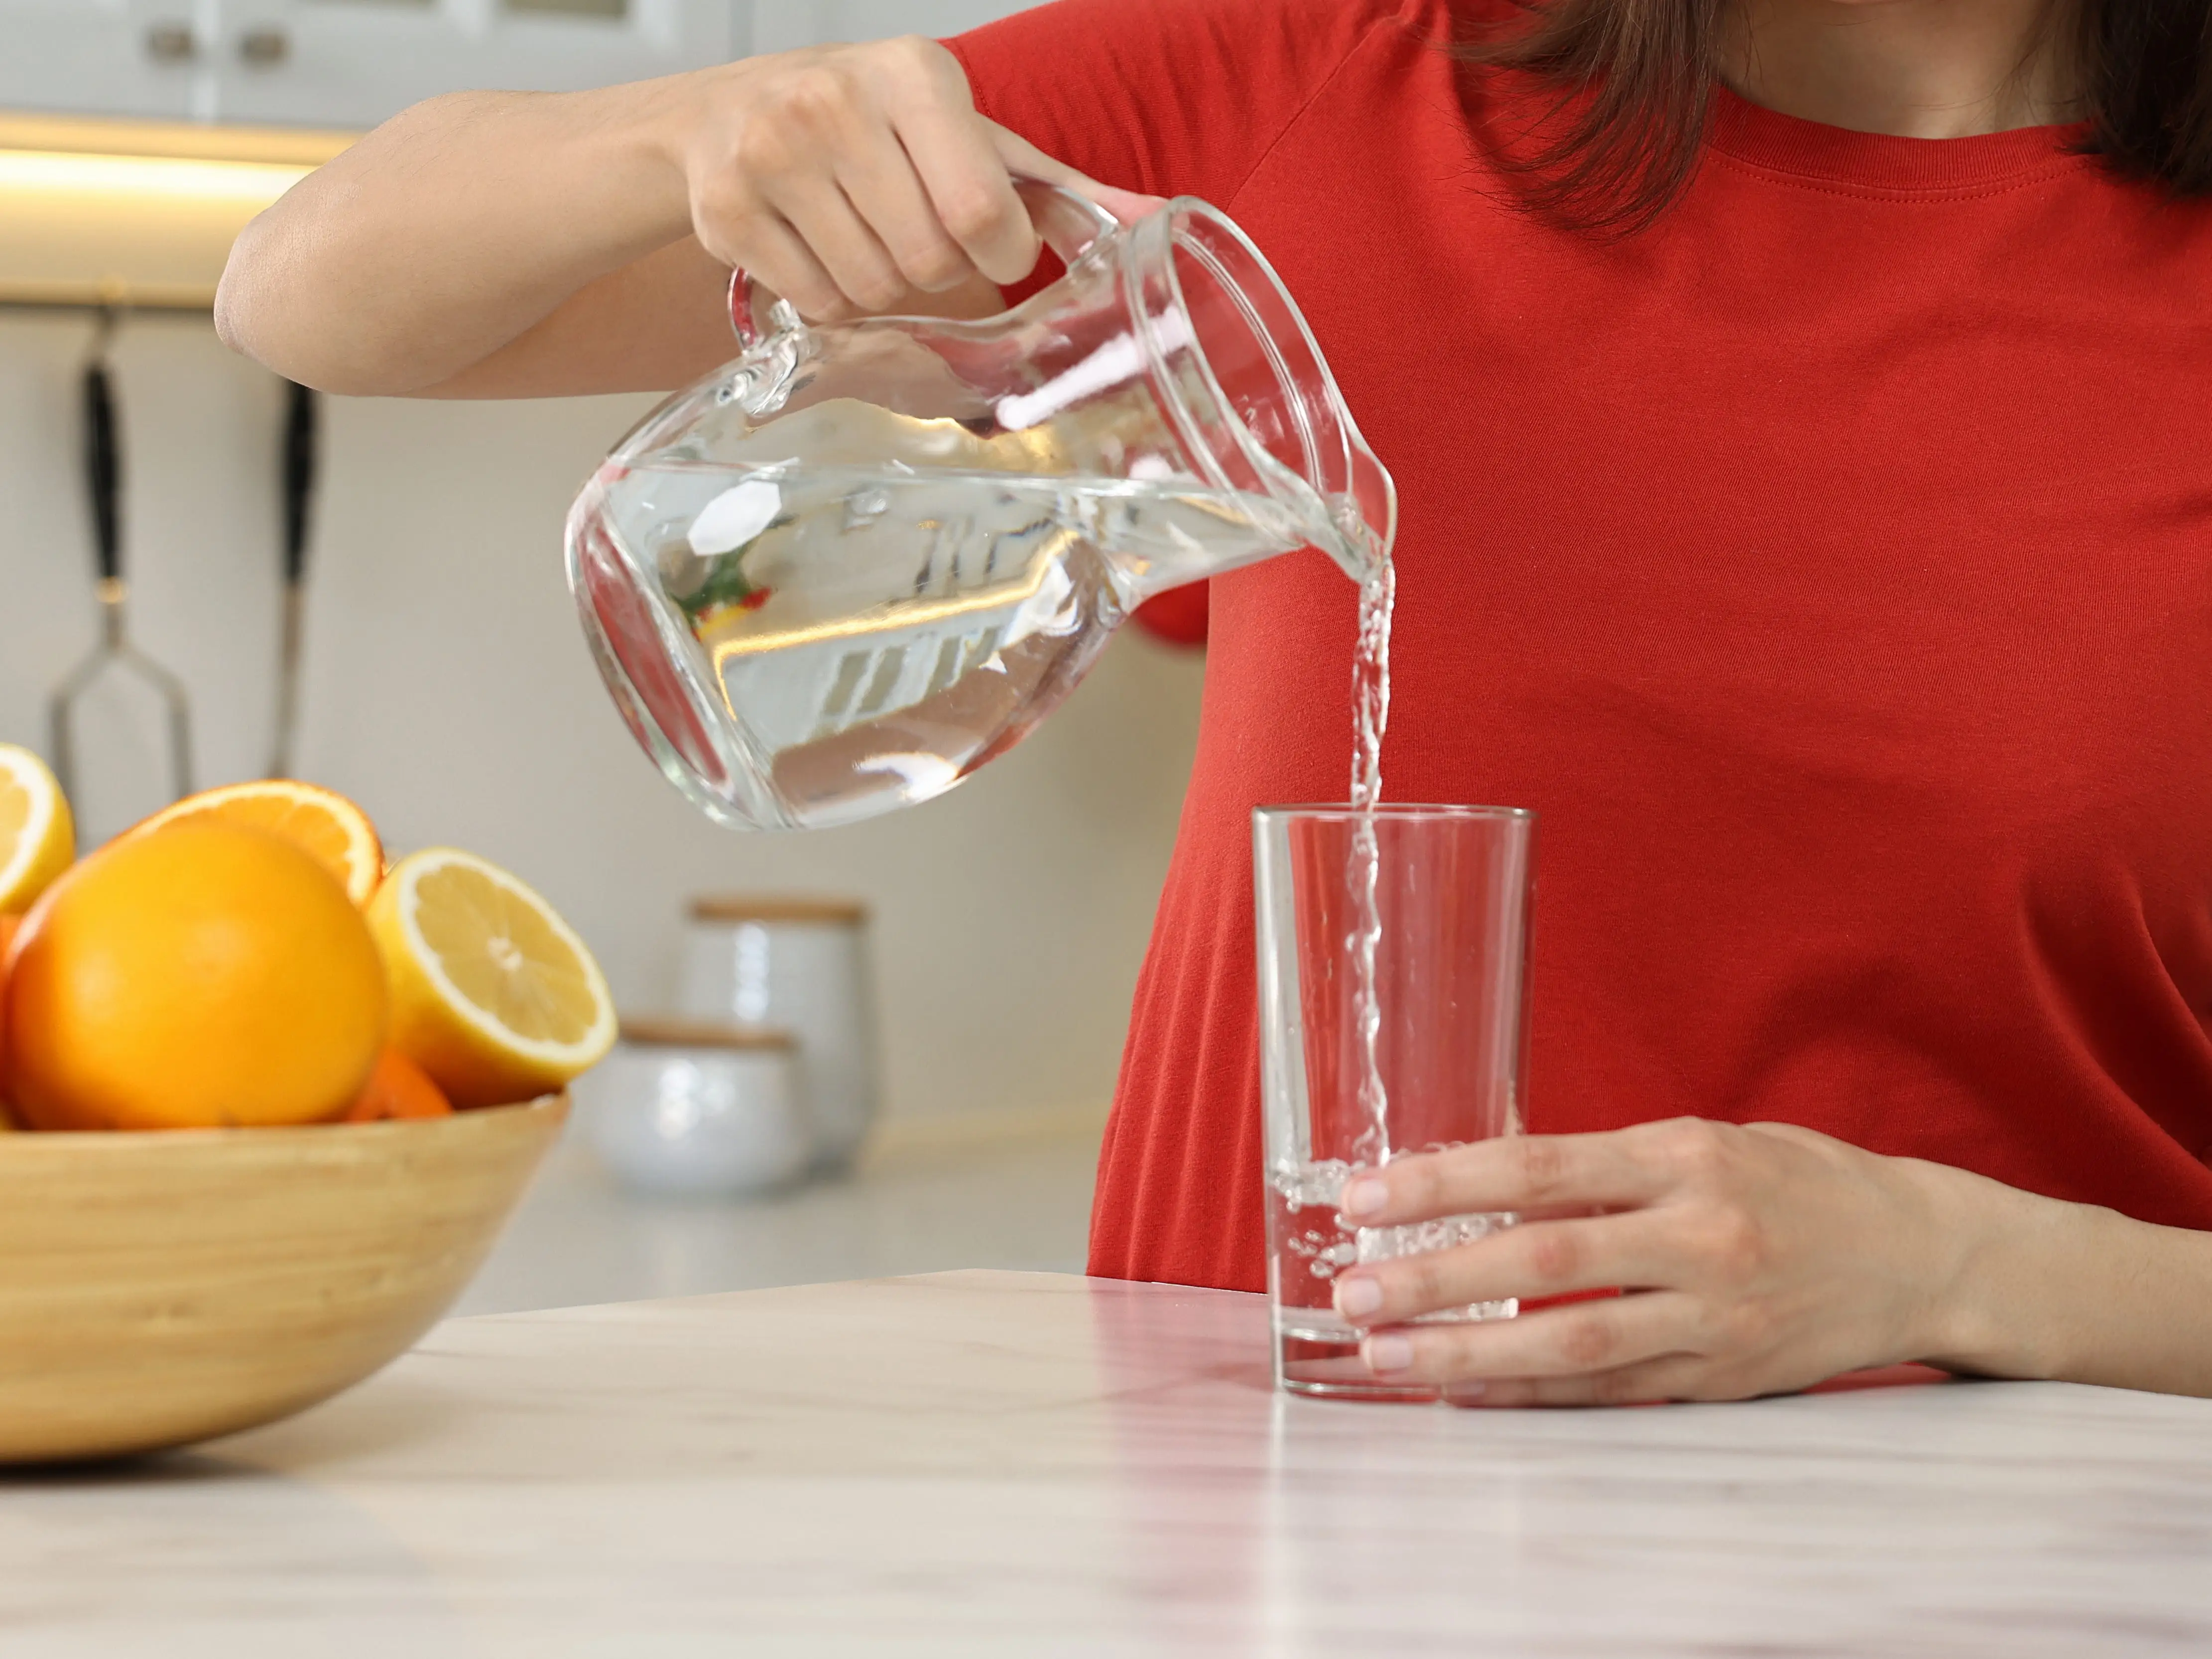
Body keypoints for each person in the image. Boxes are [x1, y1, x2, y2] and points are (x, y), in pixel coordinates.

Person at [217, 0, 2212, 1404]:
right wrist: (703, 129)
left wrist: (1946, 1259)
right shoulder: (1320, 78)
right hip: (1265, 1548)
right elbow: (314, 292)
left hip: (2022, 1574)